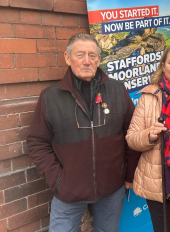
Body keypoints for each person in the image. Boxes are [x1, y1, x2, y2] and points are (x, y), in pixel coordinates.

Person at [26, 33, 141, 232]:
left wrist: (128, 175)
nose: (87, 61)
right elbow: (37, 142)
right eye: (80, 55)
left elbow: (132, 135)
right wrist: (58, 180)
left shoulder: (117, 90)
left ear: (99, 59)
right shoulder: (50, 97)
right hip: (68, 193)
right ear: (67, 58)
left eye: (92, 55)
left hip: (111, 189)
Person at [126, 44, 170, 232]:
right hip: (160, 181)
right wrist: (149, 135)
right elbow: (132, 138)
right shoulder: (150, 95)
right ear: (163, 66)